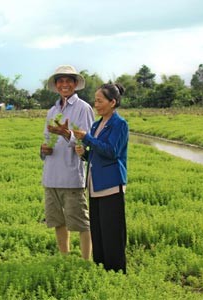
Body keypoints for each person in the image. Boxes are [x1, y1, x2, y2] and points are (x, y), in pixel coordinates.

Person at [73, 83, 128, 273]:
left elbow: (112, 151)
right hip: (95, 185)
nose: (95, 104)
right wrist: (83, 154)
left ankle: (116, 272)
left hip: (111, 185)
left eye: (99, 100)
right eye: (95, 100)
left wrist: (87, 139)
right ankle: (101, 268)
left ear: (112, 102)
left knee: (112, 232)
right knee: (98, 231)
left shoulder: (119, 124)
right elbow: (97, 154)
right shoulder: (97, 124)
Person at [40, 65, 95, 260]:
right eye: (60, 81)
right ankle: (65, 257)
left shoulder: (83, 108)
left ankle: (85, 260)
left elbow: (88, 141)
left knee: (81, 222)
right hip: (51, 175)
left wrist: (66, 133)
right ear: (56, 85)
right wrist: (43, 150)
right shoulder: (52, 111)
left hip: (72, 175)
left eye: (68, 80)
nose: (64, 84)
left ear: (74, 84)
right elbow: (46, 141)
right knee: (57, 221)